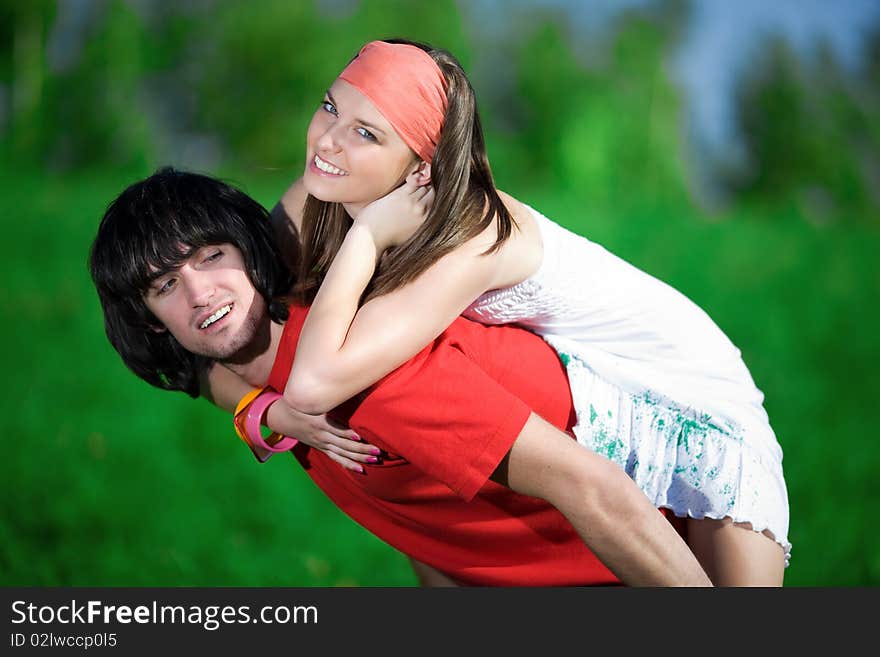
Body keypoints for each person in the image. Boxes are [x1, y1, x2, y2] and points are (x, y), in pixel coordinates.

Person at [209, 39, 790, 585]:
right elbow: (202, 331)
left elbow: (311, 386)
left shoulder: (469, 233)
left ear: (421, 167)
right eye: (330, 107)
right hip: (592, 385)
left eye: (366, 132)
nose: (328, 141)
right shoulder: (319, 195)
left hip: (694, 393)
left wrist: (365, 238)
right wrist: (257, 414)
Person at [89, 168, 712, 587]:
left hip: (665, 531)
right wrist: (261, 413)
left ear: (253, 250)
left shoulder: (370, 372)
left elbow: (595, 489)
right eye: (166, 285)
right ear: (149, 322)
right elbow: (420, 526)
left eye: (212, 257)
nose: (201, 294)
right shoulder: (261, 370)